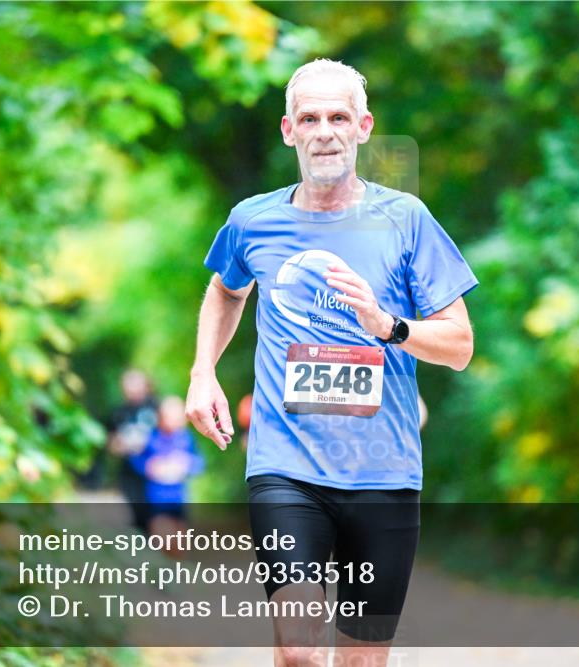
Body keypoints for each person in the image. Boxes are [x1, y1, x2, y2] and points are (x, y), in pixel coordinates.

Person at [186, 58, 477, 667]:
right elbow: (225, 290)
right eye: (310, 118)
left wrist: (388, 327)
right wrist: (202, 372)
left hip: (384, 472)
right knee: (298, 647)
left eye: (338, 117)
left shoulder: (406, 221)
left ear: (363, 127)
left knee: (361, 661)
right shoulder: (253, 220)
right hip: (285, 466)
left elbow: (459, 344)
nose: (325, 130)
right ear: (288, 130)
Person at [128, 396, 204, 557]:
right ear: (161, 417)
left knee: (180, 545)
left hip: (179, 497)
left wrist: (187, 464)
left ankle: (177, 573)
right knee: (162, 539)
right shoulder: (151, 437)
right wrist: (149, 466)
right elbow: (136, 460)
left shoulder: (186, 438)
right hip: (156, 498)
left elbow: (199, 462)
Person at [106, 369, 158, 535]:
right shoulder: (119, 412)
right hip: (129, 471)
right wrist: (118, 446)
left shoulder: (156, 407)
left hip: (153, 469)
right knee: (136, 512)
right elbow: (111, 442)